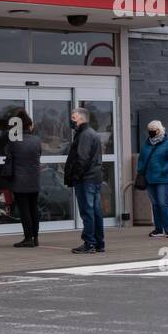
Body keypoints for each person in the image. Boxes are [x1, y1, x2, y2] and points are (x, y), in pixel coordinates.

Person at [64, 108, 105, 254]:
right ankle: (99, 243)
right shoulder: (91, 133)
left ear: (82, 119)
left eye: (73, 117)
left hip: (86, 179)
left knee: (87, 211)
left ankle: (89, 243)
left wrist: (76, 176)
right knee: (95, 211)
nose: (71, 120)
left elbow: (82, 158)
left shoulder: (85, 135)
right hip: (93, 177)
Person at [4, 111, 42, 247]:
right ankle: (35, 237)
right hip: (34, 179)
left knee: (24, 210)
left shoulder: (14, 141)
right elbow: (39, 154)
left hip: (19, 181)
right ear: (29, 125)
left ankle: (28, 238)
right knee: (33, 208)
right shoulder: (37, 140)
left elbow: (8, 156)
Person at [137, 120, 168, 239]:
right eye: (149, 130)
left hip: (162, 179)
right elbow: (142, 159)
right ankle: (158, 229)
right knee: (155, 204)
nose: (150, 132)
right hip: (149, 178)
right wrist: (140, 170)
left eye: (153, 130)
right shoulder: (147, 144)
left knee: (163, 203)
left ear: (159, 130)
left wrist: (163, 171)